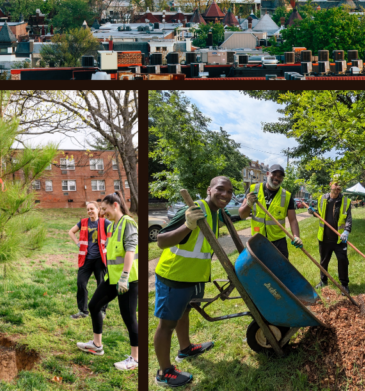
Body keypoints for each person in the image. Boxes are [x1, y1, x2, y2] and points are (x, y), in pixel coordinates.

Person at [152, 177, 232, 387]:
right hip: (174, 276)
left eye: (230, 191)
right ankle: (164, 372)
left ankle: (185, 349)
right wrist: (188, 225)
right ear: (209, 189)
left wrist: (248, 206)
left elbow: (237, 217)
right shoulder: (195, 208)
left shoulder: (215, 213)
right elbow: (161, 240)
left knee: (184, 313)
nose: (225, 195)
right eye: (220, 189)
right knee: (167, 324)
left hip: (193, 277)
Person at [76, 194, 139, 372]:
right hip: (112, 278)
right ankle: (97, 345)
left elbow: (130, 251)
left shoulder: (128, 222)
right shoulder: (114, 226)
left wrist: (125, 276)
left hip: (128, 280)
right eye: (101, 210)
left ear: (115, 205)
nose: (102, 213)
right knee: (94, 305)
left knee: (129, 317)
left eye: (104, 209)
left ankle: (135, 358)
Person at [238, 163, 302, 259]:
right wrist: (249, 204)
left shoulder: (287, 196)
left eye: (280, 176)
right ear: (267, 174)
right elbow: (242, 215)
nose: (277, 178)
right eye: (274, 174)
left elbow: (293, 220)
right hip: (257, 239)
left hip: (278, 242)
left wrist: (296, 236)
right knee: (259, 270)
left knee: (280, 270)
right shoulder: (253, 189)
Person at [68, 201, 111, 320]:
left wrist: (108, 244)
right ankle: (83, 311)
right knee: (81, 283)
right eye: (88, 209)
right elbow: (71, 232)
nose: (90, 211)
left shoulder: (104, 222)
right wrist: (77, 243)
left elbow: (113, 232)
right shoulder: (83, 222)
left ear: (98, 209)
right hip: (86, 259)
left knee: (101, 285)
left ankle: (102, 310)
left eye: (92, 208)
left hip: (100, 259)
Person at [317, 182, 352, 290]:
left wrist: (346, 231)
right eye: (335, 185)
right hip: (324, 237)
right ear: (330, 184)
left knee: (342, 260)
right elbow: (319, 213)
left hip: (339, 239)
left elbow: (348, 219)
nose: (337, 189)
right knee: (324, 260)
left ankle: (344, 284)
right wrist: (312, 211)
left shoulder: (346, 201)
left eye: (339, 187)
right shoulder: (322, 199)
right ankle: (323, 280)